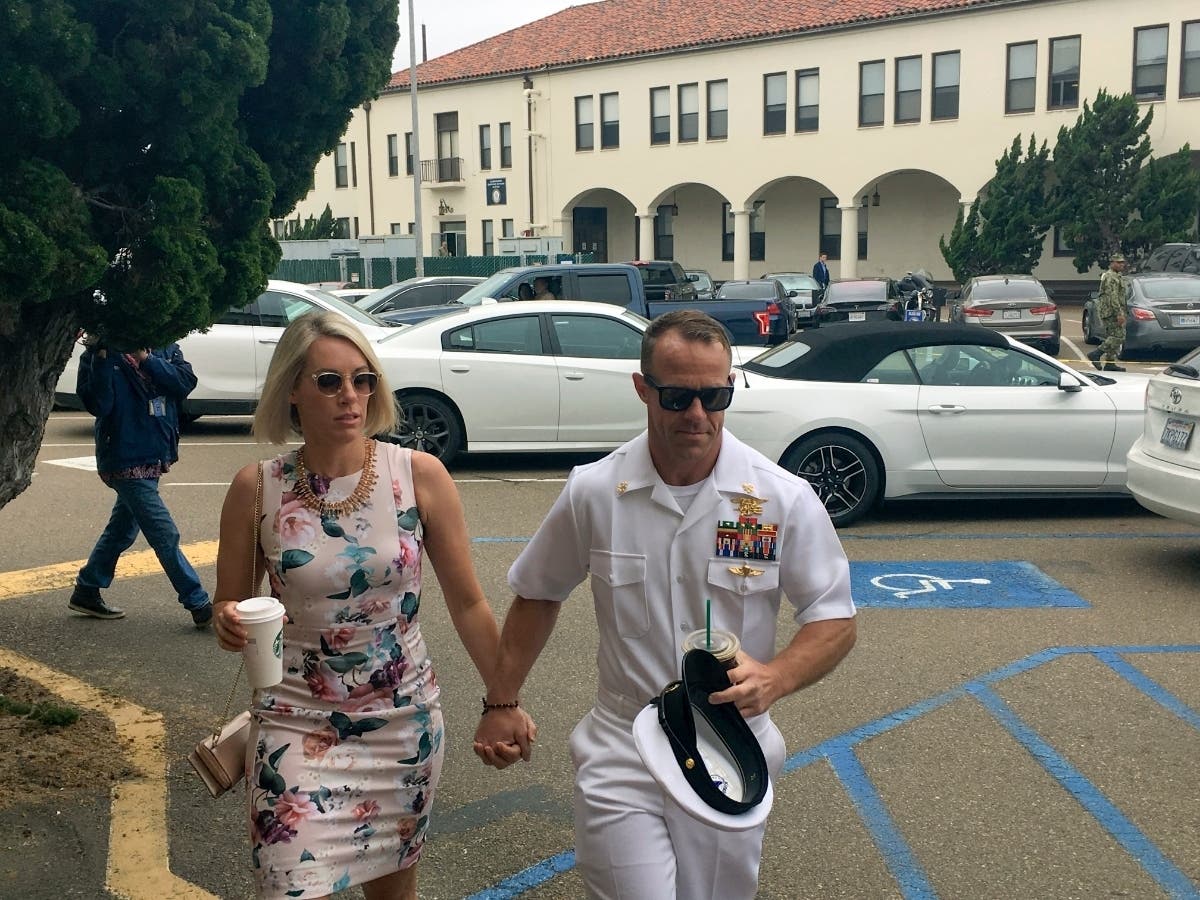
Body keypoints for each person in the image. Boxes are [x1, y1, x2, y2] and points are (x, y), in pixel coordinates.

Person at [474, 309, 857, 899]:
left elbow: (833, 619)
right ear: (642, 388)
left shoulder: (779, 498)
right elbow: (538, 593)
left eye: (715, 396)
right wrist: (501, 701)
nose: (698, 414)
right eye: (677, 397)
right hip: (624, 742)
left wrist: (777, 677)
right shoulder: (596, 491)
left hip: (730, 744)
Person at [212, 311, 533, 900]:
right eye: (329, 381)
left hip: (401, 725)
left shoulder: (419, 476)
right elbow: (228, 604)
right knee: (285, 885)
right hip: (292, 719)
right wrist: (229, 620)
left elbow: (468, 604)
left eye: (363, 380)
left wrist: (503, 699)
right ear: (291, 390)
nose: (350, 395)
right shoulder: (256, 487)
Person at [69, 335, 211, 625]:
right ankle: (198, 603)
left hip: (154, 452)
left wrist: (146, 359)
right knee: (163, 533)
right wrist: (101, 357)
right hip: (123, 455)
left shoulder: (164, 347)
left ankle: (87, 588)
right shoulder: (99, 355)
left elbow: (184, 382)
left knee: (122, 529)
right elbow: (100, 404)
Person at [1089, 252, 1127, 372]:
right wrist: (1119, 313)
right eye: (1118, 262)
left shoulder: (1117, 276)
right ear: (1112, 263)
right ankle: (1096, 353)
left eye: (1122, 262)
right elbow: (1112, 296)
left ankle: (1110, 362)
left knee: (1113, 336)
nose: (1121, 265)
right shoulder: (1110, 277)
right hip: (1110, 312)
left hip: (1112, 311)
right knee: (1119, 336)